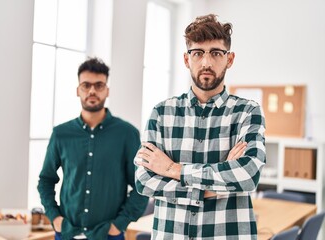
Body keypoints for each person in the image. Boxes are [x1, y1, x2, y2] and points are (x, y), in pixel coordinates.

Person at [135, 14, 266, 240]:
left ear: (230, 59)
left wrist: (173, 170)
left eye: (216, 53)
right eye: (198, 53)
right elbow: (144, 181)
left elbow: (247, 175)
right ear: (187, 60)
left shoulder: (248, 112)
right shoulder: (161, 113)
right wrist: (216, 183)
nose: (206, 62)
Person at [38, 57, 148, 240]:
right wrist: (54, 217)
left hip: (108, 235)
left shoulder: (127, 134)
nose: (92, 91)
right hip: (66, 234)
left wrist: (119, 225)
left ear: (107, 90)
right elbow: (45, 180)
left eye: (99, 85)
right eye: (86, 85)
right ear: (77, 90)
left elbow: (141, 185)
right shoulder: (61, 134)